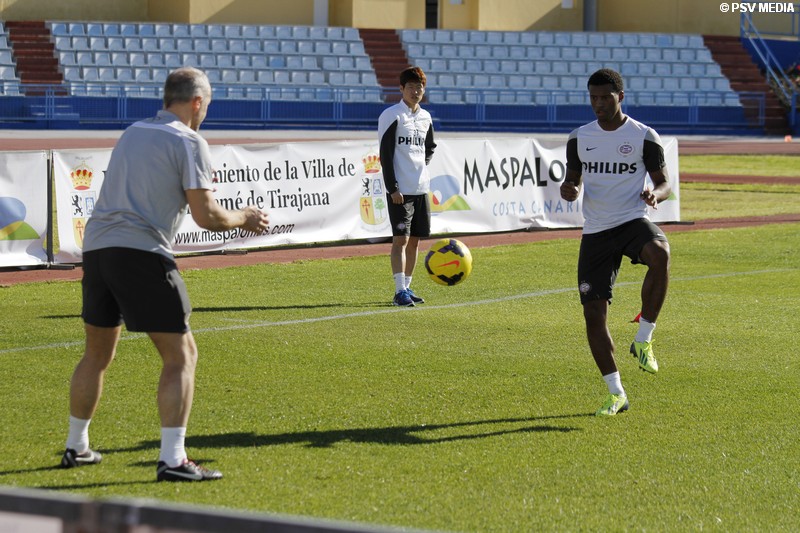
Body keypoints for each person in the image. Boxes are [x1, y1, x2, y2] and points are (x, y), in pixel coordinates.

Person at [60, 67, 270, 481]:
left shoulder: (133, 131)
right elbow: (207, 216)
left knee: (97, 354)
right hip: (140, 251)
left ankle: (76, 445)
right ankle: (173, 460)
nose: (206, 111)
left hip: (99, 250)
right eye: (206, 104)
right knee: (182, 354)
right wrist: (245, 217)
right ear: (196, 102)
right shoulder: (189, 140)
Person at [560, 68, 672, 417]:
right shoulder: (579, 137)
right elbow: (573, 180)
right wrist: (570, 189)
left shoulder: (644, 136)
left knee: (661, 253)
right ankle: (616, 393)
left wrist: (656, 195)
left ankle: (643, 339)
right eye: (593, 97)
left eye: (605, 97)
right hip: (596, 231)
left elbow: (665, 183)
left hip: (631, 220)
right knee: (594, 316)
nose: (598, 104)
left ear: (620, 97)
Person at [378, 66, 437, 307]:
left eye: (419, 87)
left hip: (421, 188)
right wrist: (393, 187)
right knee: (400, 240)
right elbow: (385, 153)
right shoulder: (392, 115)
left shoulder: (426, 117)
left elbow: (430, 146)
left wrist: (420, 167)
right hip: (400, 192)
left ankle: (408, 287)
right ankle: (399, 290)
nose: (416, 91)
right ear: (401, 89)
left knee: (415, 241)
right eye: (411, 87)